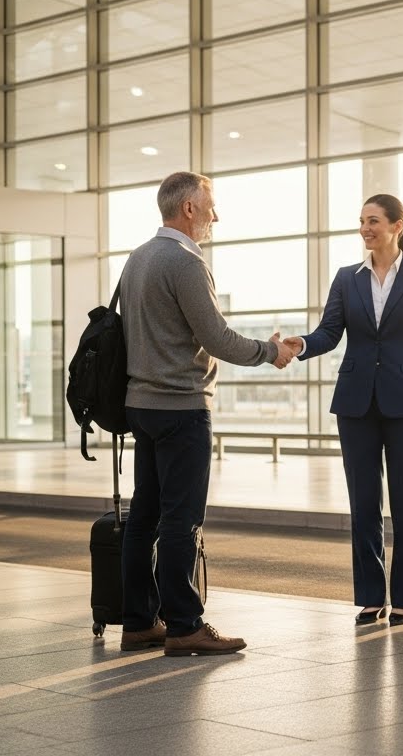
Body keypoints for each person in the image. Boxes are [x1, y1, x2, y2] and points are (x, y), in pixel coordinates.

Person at [118, 171, 296, 656]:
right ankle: (184, 625)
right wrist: (269, 351)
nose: (216, 216)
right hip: (180, 406)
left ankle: (137, 621)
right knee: (181, 520)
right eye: (210, 206)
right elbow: (215, 337)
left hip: (142, 405)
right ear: (189, 209)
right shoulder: (184, 261)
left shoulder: (136, 259)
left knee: (144, 516)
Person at [282, 193, 403, 627]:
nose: (365, 229)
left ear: (397, 225)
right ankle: (372, 597)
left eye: (373, 221)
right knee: (363, 503)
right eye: (361, 221)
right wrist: (301, 345)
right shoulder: (346, 278)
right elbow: (329, 332)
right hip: (356, 403)